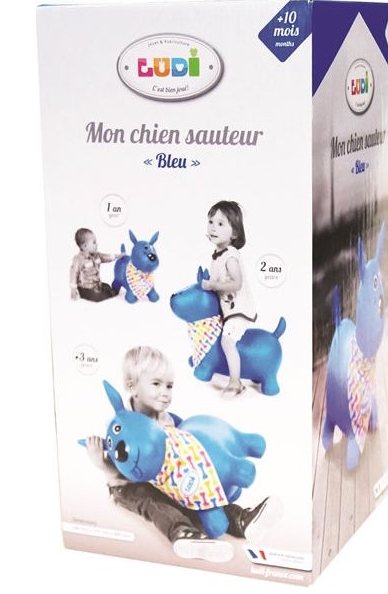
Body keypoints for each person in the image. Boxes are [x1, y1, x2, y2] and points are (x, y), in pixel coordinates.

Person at [86, 346, 279, 562]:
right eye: (156, 384)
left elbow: (188, 447)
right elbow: (123, 467)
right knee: (154, 502)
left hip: (169, 481)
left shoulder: (166, 419)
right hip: (129, 486)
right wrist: (101, 463)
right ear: (132, 386)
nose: (165, 392)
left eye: (169, 386)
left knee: (198, 488)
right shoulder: (123, 425)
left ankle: (241, 519)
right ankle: (182, 533)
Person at [201, 201, 257, 399]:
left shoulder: (230, 256)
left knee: (227, 341)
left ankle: (236, 383)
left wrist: (213, 285)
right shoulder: (217, 255)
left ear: (234, 233)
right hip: (227, 309)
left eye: (220, 224)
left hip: (238, 309)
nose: (213, 227)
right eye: (211, 222)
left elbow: (236, 283)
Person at [70, 228, 121, 302]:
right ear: (85, 246)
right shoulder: (78, 259)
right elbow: (73, 273)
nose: (97, 244)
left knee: (106, 286)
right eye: (94, 242)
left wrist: (117, 256)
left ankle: (105, 291)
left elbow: (106, 257)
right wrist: (73, 289)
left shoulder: (97, 255)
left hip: (96, 285)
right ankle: (87, 293)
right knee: (97, 297)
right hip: (85, 288)